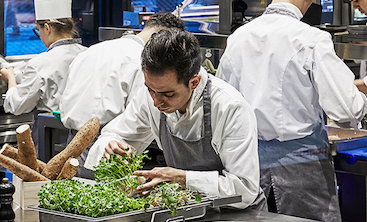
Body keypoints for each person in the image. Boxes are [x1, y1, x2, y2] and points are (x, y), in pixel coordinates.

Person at [219, 0, 367, 222]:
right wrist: (361, 106)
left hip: (248, 166)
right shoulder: (312, 40)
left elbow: (222, 107)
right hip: (303, 169)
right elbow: (345, 110)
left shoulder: (239, 37)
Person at [91, 28, 262, 211]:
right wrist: (112, 146)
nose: (156, 102)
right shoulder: (151, 95)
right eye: (150, 90)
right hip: (190, 212)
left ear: (194, 82)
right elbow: (113, 135)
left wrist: (184, 179)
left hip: (238, 216)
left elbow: (244, 188)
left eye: (168, 94)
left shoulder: (230, 107)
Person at [58, 11, 185, 133]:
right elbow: (140, 114)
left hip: (72, 136)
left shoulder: (92, 50)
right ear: (163, 39)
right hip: (111, 139)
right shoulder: (143, 61)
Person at [1, 0, 82, 115]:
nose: (40, 36)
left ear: (47, 28)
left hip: (52, 127)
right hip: (85, 127)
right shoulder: (87, 53)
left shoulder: (39, 64)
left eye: (38, 30)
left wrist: (10, 78)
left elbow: (17, 106)